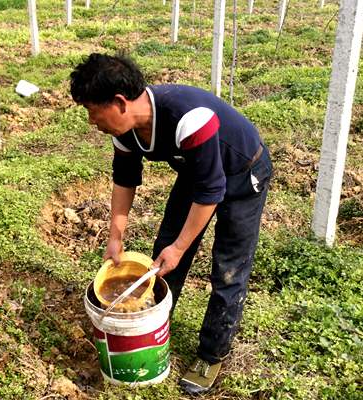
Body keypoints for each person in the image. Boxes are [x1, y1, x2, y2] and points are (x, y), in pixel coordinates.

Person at [70, 53, 272, 394]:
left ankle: (211, 354)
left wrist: (181, 247)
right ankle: (151, 323)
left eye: (93, 110)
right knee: (162, 256)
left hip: (242, 172)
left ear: (120, 102)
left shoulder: (188, 118)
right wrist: (115, 237)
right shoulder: (126, 130)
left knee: (228, 268)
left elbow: (212, 191)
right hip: (198, 173)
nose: (91, 121)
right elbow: (125, 180)